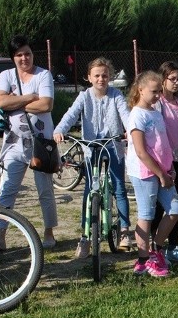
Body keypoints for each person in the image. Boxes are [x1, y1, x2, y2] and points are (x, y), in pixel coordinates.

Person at [53, 57, 131, 259]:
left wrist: (131, 131)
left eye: (105, 75)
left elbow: (126, 115)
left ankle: (124, 231)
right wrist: (60, 129)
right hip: (91, 148)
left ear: (110, 77)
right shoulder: (84, 96)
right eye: (96, 75)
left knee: (119, 188)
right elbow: (71, 114)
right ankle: (85, 237)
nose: (101, 79)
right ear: (89, 77)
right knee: (89, 192)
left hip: (113, 145)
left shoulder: (116, 96)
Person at [0, 35, 58, 250]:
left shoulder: (43, 75)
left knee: (45, 190)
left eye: (28, 53)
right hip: (14, 142)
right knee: (8, 189)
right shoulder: (5, 75)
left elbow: (46, 105)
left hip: (41, 142)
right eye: (19, 54)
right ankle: (1, 235)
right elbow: (1, 102)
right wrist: (31, 97)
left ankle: (49, 232)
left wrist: (16, 102)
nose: (24, 58)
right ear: (13, 57)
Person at [126, 71, 178, 277]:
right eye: (154, 91)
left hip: (163, 171)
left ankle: (156, 249)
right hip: (145, 173)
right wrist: (160, 174)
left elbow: (162, 144)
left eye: (160, 91)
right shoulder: (137, 115)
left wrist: (170, 168)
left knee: (175, 209)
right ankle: (143, 260)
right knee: (146, 214)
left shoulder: (156, 112)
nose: (158, 95)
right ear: (140, 90)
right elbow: (141, 151)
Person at [152, 61, 178, 264]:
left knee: (177, 206)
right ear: (163, 80)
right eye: (172, 79)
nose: (176, 83)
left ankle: (173, 246)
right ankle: (155, 246)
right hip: (163, 162)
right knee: (160, 206)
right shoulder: (158, 103)